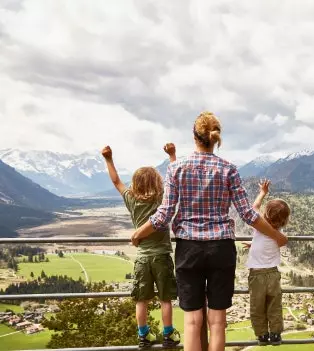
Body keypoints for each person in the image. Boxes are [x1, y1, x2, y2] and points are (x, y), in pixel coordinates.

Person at [131, 111, 288, 351]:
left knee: (193, 322)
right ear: (215, 139)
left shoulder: (176, 169)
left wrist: (138, 233)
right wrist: (277, 235)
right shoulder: (229, 169)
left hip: (188, 249)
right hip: (221, 249)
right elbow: (248, 214)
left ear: (194, 137)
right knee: (217, 322)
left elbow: (163, 216)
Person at [101, 145, 180, 349]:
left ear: (135, 183)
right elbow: (174, 180)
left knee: (141, 300)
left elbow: (116, 181)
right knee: (165, 299)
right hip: (162, 256)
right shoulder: (162, 199)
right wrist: (172, 156)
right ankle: (168, 334)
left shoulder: (131, 200)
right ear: (157, 182)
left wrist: (108, 159)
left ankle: (143, 335)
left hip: (143, 258)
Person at [243, 179, 290, 345]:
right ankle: (276, 334)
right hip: (273, 273)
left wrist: (262, 192)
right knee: (274, 305)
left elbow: (253, 208)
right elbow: (275, 242)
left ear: (266, 214)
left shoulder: (259, 225)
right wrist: (254, 244)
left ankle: (262, 335)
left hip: (257, 275)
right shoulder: (279, 233)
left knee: (257, 306)